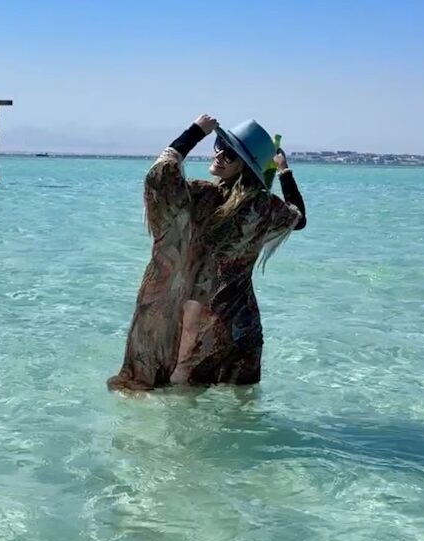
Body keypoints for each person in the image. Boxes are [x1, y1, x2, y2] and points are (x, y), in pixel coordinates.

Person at [107, 114, 307, 392]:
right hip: (243, 329)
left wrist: (195, 132)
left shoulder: (202, 198)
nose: (220, 155)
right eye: (219, 145)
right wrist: (284, 171)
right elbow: (299, 218)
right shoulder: (265, 207)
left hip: (201, 327)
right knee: (238, 408)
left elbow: (161, 177)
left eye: (231, 154)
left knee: (183, 402)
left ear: (244, 166)